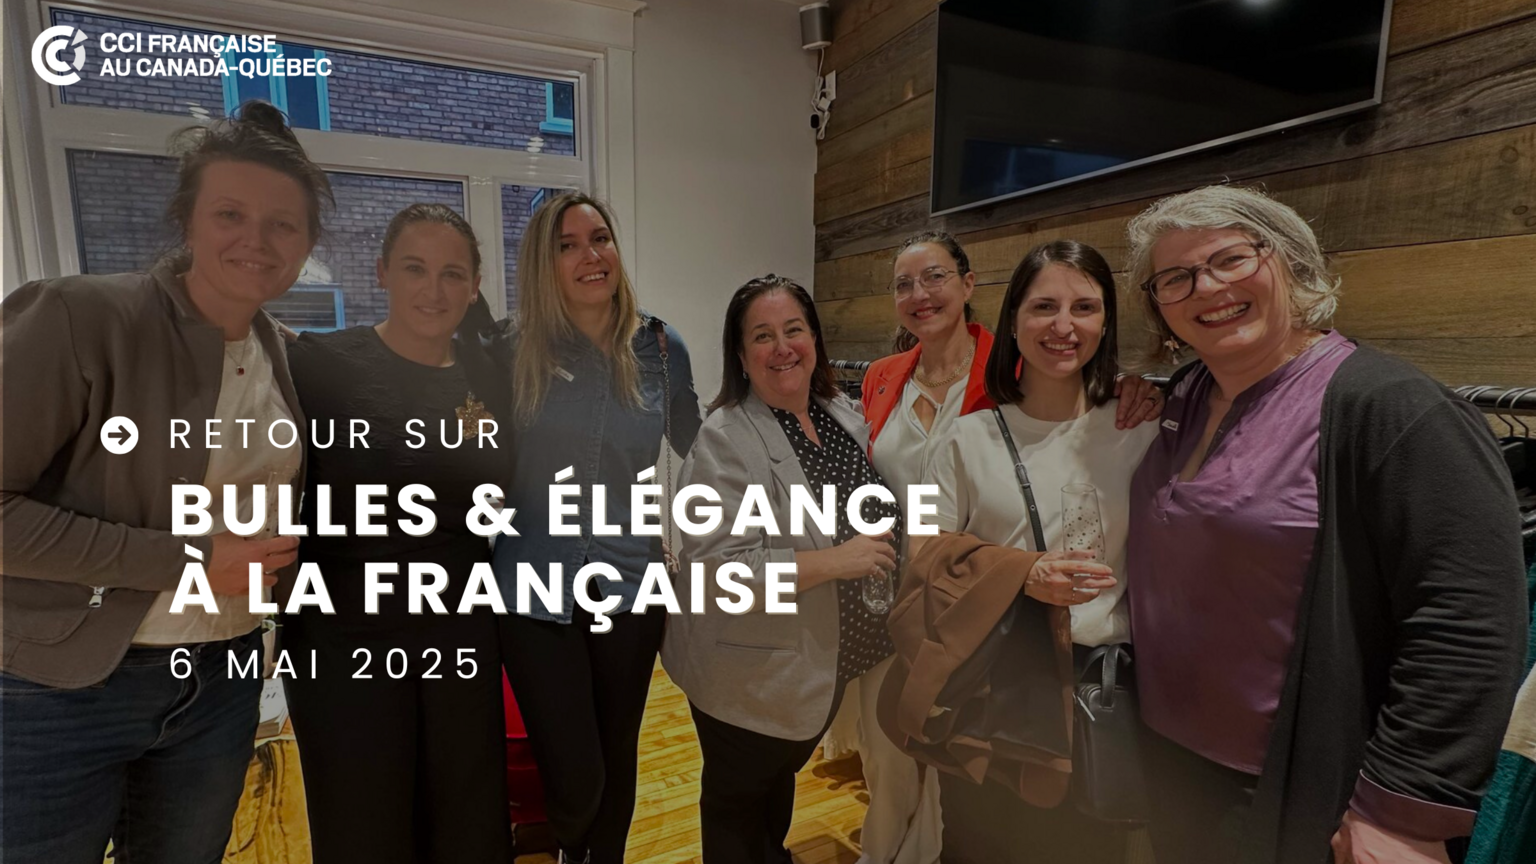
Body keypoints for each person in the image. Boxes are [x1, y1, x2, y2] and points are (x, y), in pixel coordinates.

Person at [1124, 184, 1528, 864]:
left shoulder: (1394, 407)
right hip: (1172, 763)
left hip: (1299, 785)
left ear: (1290, 261)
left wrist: (1403, 808)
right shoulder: (1183, 396)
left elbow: (1469, 615)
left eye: (1231, 259)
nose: (1207, 287)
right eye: (1177, 277)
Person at [0, 101, 326, 863]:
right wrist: (193, 560)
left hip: (221, 677)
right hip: (59, 687)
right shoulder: (78, 317)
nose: (257, 240)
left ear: (308, 244)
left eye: (283, 223)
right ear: (187, 221)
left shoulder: (285, 355)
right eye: (230, 214)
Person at [853, 232, 1161, 864]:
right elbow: (925, 548)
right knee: (977, 842)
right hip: (993, 674)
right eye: (1044, 307)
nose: (1064, 326)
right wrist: (1023, 572)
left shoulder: (1142, 428)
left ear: (1106, 322)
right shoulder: (968, 436)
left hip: (1100, 682)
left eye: (1084, 307)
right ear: (1013, 321)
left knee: (1085, 850)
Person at [281, 204, 514, 864]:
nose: (433, 290)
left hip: (459, 628)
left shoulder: (490, 375)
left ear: (474, 286)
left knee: (467, 820)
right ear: (382, 272)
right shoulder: (321, 365)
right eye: (415, 268)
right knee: (365, 824)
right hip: (344, 639)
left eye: (452, 274)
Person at [490, 192, 701, 864]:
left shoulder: (661, 348)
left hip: (630, 584)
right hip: (531, 588)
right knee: (574, 769)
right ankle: (570, 846)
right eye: (568, 244)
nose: (591, 255)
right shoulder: (509, 349)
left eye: (600, 238)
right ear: (543, 262)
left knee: (616, 754)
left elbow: (703, 446)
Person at [662, 275, 903, 864]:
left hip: (813, 666)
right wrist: (837, 560)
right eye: (762, 336)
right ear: (741, 355)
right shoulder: (724, 439)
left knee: (775, 788)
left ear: (815, 339)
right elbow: (717, 570)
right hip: (746, 670)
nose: (782, 348)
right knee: (738, 804)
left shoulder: (840, 414)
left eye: (794, 329)